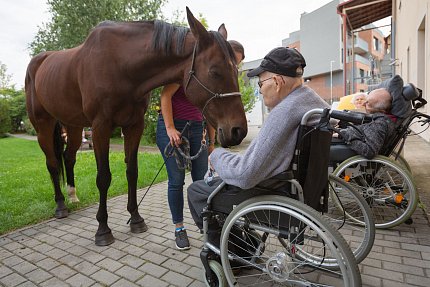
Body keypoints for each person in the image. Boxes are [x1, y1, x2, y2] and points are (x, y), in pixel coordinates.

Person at [187, 47, 330, 246]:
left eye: (261, 83)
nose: (260, 89)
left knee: (197, 191)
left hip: (274, 191)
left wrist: (217, 156)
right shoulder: (314, 102)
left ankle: (236, 250)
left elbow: (245, 174)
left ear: (278, 82)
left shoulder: (283, 113)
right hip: (300, 189)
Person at [156, 40, 245, 250]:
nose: (233, 66)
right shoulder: (190, 70)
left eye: (237, 63)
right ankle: (179, 228)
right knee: (176, 181)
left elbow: (211, 109)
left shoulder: (220, 77)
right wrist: (169, 128)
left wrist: (211, 142)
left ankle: (206, 225)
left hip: (197, 128)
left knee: (202, 181)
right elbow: (165, 95)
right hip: (174, 127)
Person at [337, 88, 396, 159]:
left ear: (380, 109)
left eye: (368, 103)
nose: (364, 103)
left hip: (350, 145)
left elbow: (369, 151)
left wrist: (345, 135)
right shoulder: (378, 119)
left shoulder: (379, 124)